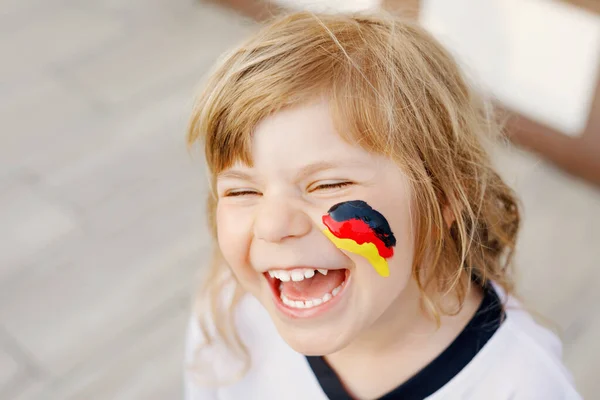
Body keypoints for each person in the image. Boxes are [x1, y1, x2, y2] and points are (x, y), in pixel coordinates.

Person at [183, 11, 581, 399]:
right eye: (241, 192)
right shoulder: (229, 313)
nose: (271, 225)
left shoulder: (522, 383)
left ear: (443, 196)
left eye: (329, 184)